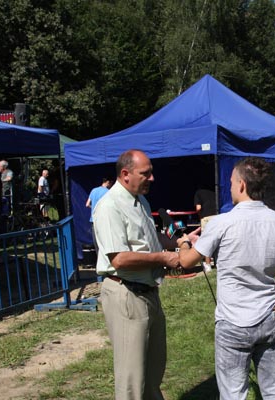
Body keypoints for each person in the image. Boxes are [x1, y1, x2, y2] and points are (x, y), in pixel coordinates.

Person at [178, 156, 275, 400]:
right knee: (274, 391)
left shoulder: (221, 223)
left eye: (231, 182)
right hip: (268, 318)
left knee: (233, 394)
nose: (230, 187)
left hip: (232, 323)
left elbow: (186, 261)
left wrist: (185, 243)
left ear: (241, 185)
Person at [93, 149, 183, 400]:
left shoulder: (140, 200)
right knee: (132, 380)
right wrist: (164, 258)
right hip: (126, 294)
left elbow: (152, 240)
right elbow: (119, 258)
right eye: (146, 173)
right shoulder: (109, 206)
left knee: (153, 370)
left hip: (148, 292)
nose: (152, 178)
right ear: (125, 174)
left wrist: (180, 242)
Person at [193, 187, 217, 272]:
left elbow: (198, 208)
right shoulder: (214, 192)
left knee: (207, 242)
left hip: (206, 217)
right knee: (217, 241)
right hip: (217, 217)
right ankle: (218, 263)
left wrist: (200, 216)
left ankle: (208, 264)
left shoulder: (198, 192)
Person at [85, 177, 111, 250]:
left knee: (97, 243)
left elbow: (87, 204)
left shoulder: (94, 190)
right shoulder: (108, 192)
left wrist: (94, 208)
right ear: (108, 182)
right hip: (104, 220)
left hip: (93, 220)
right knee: (105, 242)